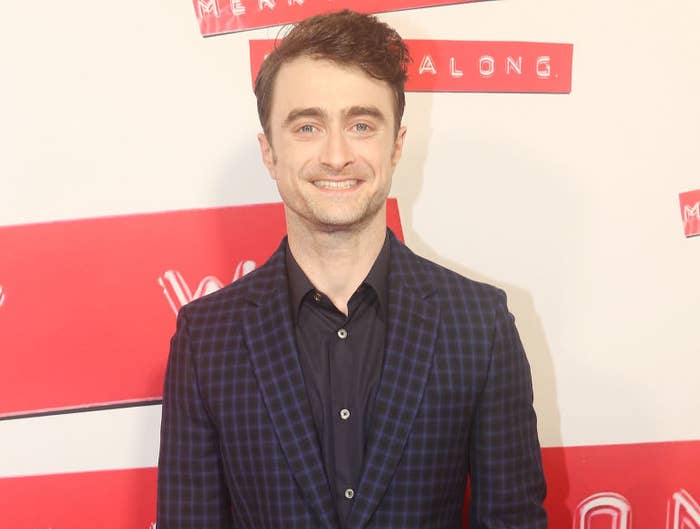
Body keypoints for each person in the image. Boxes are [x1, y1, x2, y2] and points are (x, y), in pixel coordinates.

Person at [157, 9, 547, 529]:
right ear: (269, 152)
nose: (336, 155)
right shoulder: (206, 338)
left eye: (361, 124)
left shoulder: (479, 324)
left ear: (397, 145)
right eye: (308, 126)